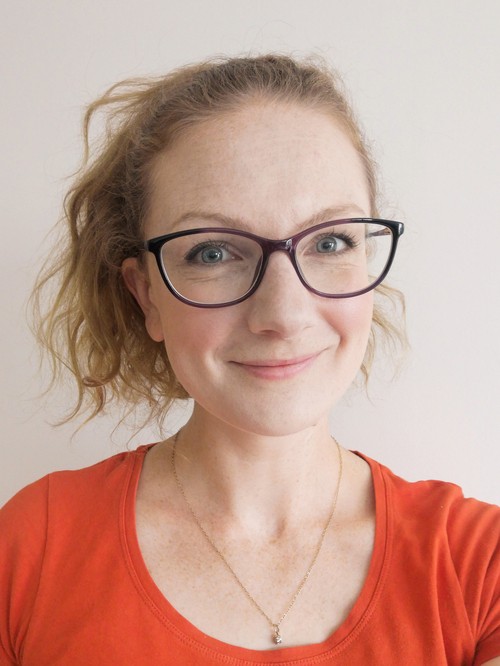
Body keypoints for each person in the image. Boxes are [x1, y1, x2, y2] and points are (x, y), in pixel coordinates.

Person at [0, 54, 498, 666]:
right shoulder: (31, 549)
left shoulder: (480, 566)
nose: (284, 314)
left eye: (330, 241)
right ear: (146, 296)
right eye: (213, 252)